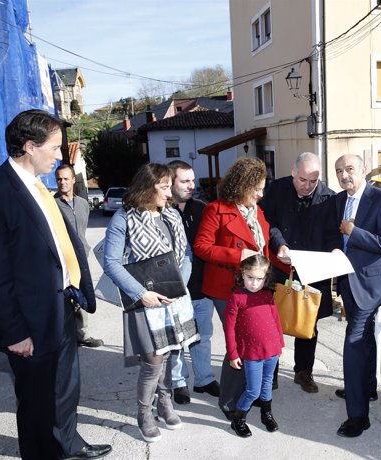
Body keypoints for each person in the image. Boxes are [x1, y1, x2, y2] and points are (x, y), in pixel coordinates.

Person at [0, 109, 111, 459]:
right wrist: (14, 331)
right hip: (27, 321)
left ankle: (68, 444)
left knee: (64, 389)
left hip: (61, 306)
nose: (60, 156)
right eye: (55, 147)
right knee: (36, 403)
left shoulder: (37, 188)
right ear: (30, 147)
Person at [102, 163, 200, 443]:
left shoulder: (171, 215)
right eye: (165, 187)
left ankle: (165, 403)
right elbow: (111, 263)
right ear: (148, 186)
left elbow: (186, 255)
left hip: (173, 298)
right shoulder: (124, 217)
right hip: (145, 301)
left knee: (168, 355)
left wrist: (179, 285)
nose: (170, 194)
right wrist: (141, 294)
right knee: (152, 361)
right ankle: (144, 413)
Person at [193, 156, 274, 418]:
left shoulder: (257, 212)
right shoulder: (215, 209)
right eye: (257, 188)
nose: (261, 194)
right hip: (226, 286)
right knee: (239, 342)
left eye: (263, 188)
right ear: (242, 185)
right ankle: (230, 402)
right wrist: (236, 256)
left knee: (258, 339)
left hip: (256, 286)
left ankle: (255, 391)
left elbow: (264, 247)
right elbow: (201, 248)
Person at [327, 153, 381, 438]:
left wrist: (353, 232)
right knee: (365, 333)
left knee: (354, 341)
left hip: (372, 285)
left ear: (364, 170)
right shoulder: (337, 201)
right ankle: (366, 387)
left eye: (350, 169)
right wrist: (336, 247)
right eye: (339, 171)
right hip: (348, 281)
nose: (344, 176)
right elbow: (336, 237)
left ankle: (358, 417)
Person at [260, 152, 335, 394]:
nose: (308, 186)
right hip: (280, 267)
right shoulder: (276, 189)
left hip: (313, 270)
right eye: (303, 180)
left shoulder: (330, 198)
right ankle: (270, 372)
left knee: (308, 324)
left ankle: (304, 372)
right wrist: (279, 243)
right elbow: (265, 222)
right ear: (293, 172)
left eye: (313, 181)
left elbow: (333, 236)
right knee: (272, 321)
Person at [166, 160, 219, 405]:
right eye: (185, 181)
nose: (191, 185)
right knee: (176, 340)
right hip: (173, 291)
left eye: (192, 180)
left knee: (202, 336)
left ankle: (204, 379)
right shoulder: (161, 212)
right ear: (171, 181)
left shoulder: (202, 209)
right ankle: (179, 382)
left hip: (201, 288)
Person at [224, 254, 284, 437]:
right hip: (252, 353)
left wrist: (280, 344)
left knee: (267, 385)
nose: (254, 283)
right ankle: (238, 418)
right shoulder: (237, 298)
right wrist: (233, 354)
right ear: (242, 273)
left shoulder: (267, 295)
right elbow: (229, 328)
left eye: (259, 279)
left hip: (272, 350)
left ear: (266, 278)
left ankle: (266, 413)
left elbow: (275, 320)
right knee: (253, 390)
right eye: (250, 277)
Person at [54, 164, 103, 348]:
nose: (62, 182)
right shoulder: (52, 205)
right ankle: (65, 335)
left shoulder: (83, 204)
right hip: (62, 259)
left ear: (74, 180)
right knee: (64, 296)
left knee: (82, 293)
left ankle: (82, 334)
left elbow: (82, 229)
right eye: (59, 179)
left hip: (81, 258)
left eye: (66, 178)